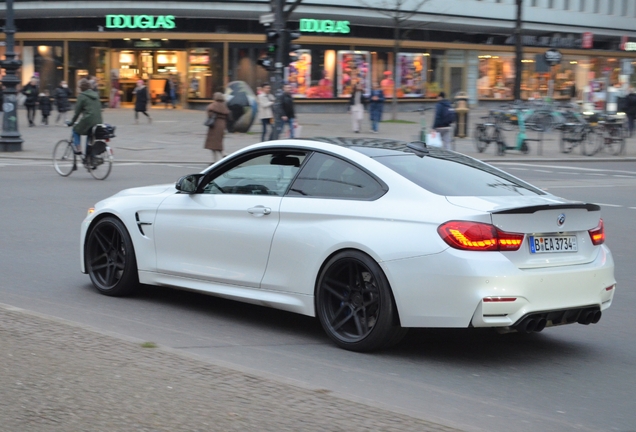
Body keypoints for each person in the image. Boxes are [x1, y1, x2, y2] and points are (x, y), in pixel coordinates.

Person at [67, 78, 103, 157]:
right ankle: (89, 158)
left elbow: (77, 112)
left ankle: (78, 149)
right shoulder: (95, 95)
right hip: (99, 121)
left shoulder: (82, 96)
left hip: (88, 119)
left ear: (81, 88)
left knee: (75, 130)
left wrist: (72, 122)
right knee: (90, 136)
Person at [204, 92, 231, 163]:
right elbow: (228, 115)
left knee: (213, 144)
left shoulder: (213, 105)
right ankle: (223, 154)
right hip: (222, 125)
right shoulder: (224, 106)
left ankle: (217, 159)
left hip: (214, 125)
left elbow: (209, 114)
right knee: (219, 142)